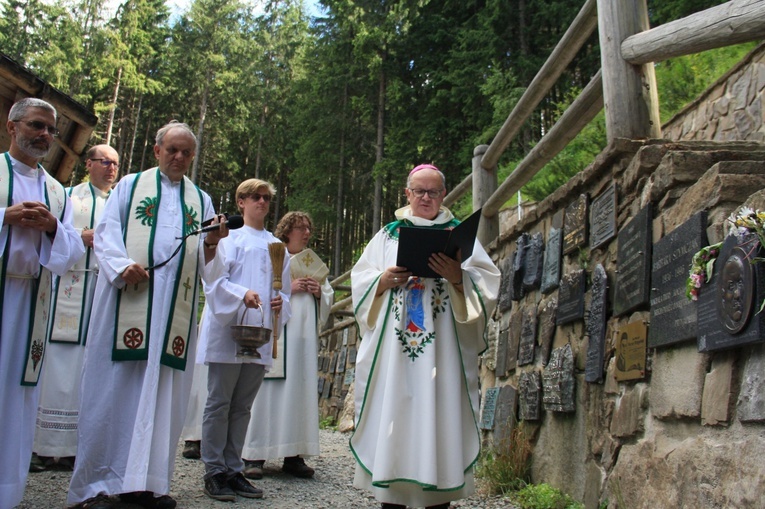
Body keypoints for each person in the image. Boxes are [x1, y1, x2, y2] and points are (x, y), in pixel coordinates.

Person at [67, 122, 227, 509]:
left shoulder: (200, 199)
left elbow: (209, 266)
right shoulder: (130, 186)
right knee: (115, 393)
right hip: (129, 304)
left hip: (174, 315)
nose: (179, 158)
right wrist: (122, 266)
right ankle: (101, 485)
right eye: (172, 150)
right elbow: (106, 233)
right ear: (156, 151)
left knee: (163, 398)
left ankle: (148, 484)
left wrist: (212, 242)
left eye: (186, 152)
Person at [350, 164, 500, 509]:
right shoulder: (388, 236)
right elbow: (362, 278)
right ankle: (392, 495)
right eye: (419, 191)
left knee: (439, 411)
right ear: (407, 194)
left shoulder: (460, 236)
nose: (426, 198)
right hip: (395, 353)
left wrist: (458, 277)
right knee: (395, 413)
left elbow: (488, 282)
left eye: (433, 192)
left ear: (443, 195)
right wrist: (382, 281)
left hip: (442, 353)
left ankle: (438, 495)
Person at [0, 97, 85, 509]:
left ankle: (7, 493)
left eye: (50, 129)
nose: (45, 136)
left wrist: (53, 226)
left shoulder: (57, 190)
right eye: (36, 126)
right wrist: (5, 217)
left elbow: (72, 251)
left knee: (17, 397)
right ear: (12, 126)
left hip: (31, 300)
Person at [198, 178, 291, 501]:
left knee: (242, 406)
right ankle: (213, 470)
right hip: (228, 330)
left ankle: (234, 469)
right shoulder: (228, 239)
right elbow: (212, 281)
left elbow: (285, 292)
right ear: (240, 202)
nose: (261, 202)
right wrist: (243, 294)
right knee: (219, 402)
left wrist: (281, 304)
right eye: (254, 196)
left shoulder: (276, 245)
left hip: (259, 333)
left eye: (266, 197)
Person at [32, 144, 119, 472]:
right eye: (104, 161)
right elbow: (50, 233)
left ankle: (71, 448)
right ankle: (41, 446)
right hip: (68, 289)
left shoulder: (119, 203)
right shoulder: (68, 196)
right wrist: (80, 236)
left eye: (115, 163)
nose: (110, 168)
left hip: (100, 293)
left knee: (89, 369)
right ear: (89, 164)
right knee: (56, 365)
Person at [242, 211, 334, 479]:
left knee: (299, 391)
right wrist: (288, 288)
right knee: (267, 390)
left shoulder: (312, 261)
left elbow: (327, 294)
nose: (306, 232)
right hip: (278, 334)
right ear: (286, 231)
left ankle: (294, 454)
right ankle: (255, 453)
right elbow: (256, 288)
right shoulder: (273, 254)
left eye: (308, 228)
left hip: (303, 340)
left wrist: (319, 293)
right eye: (299, 228)